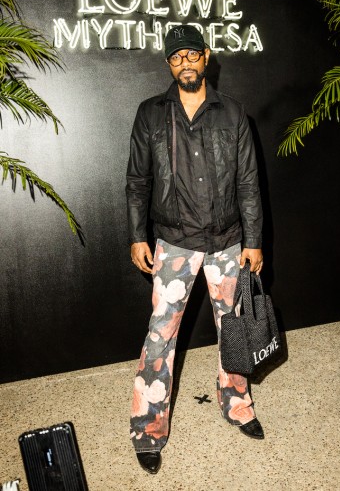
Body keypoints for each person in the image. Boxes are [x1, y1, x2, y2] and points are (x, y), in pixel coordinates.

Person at [126, 25, 263, 475]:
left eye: (191, 54)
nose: (185, 62)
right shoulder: (150, 114)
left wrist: (254, 240)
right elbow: (138, 183)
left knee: (234, 329)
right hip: (174, 242)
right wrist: (137, 234)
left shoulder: (233, 114)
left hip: (226, 242)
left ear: (206, 57)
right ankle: (148, 428)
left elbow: (247, 183)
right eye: (175, 57)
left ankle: (237, 403)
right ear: (169, 64)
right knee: (160, 336)